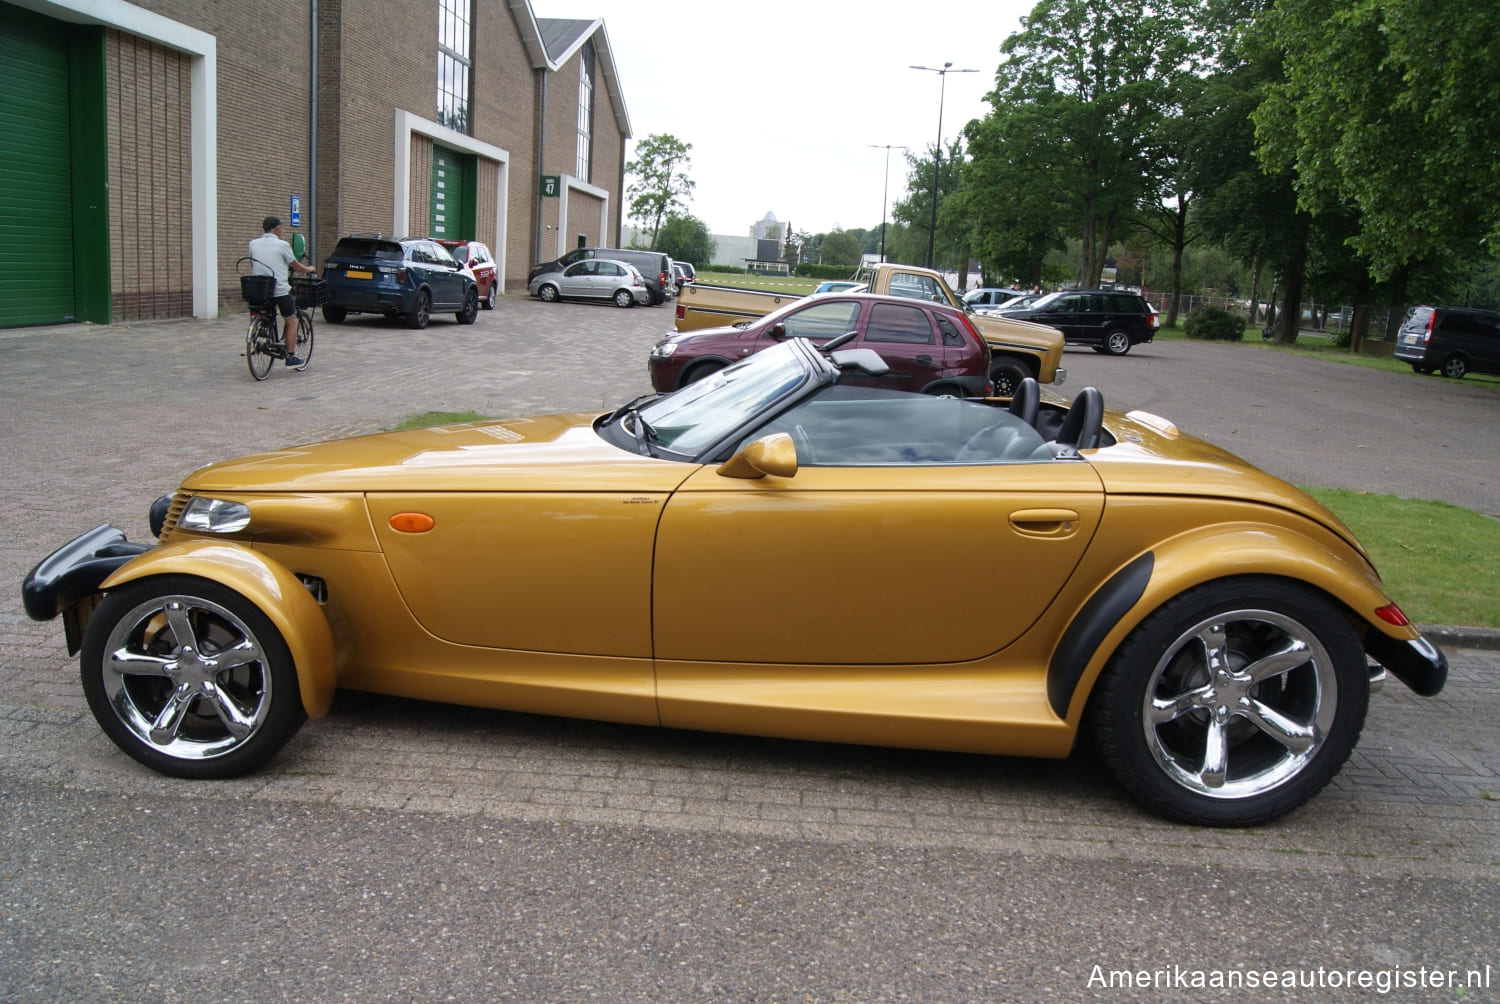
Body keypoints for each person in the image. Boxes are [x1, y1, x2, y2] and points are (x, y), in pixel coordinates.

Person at [248, 216, 317, 367]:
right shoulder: (282, 245)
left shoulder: (253, 244)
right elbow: (296, 265)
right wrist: (308, 269)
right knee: (292, 321)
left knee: (264, 311)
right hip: (279, 290)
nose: (282, 231)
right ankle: (291, 357)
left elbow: (253, 264)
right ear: (276, 229)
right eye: (281, 228)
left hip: (260, 290)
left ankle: (263, 329)